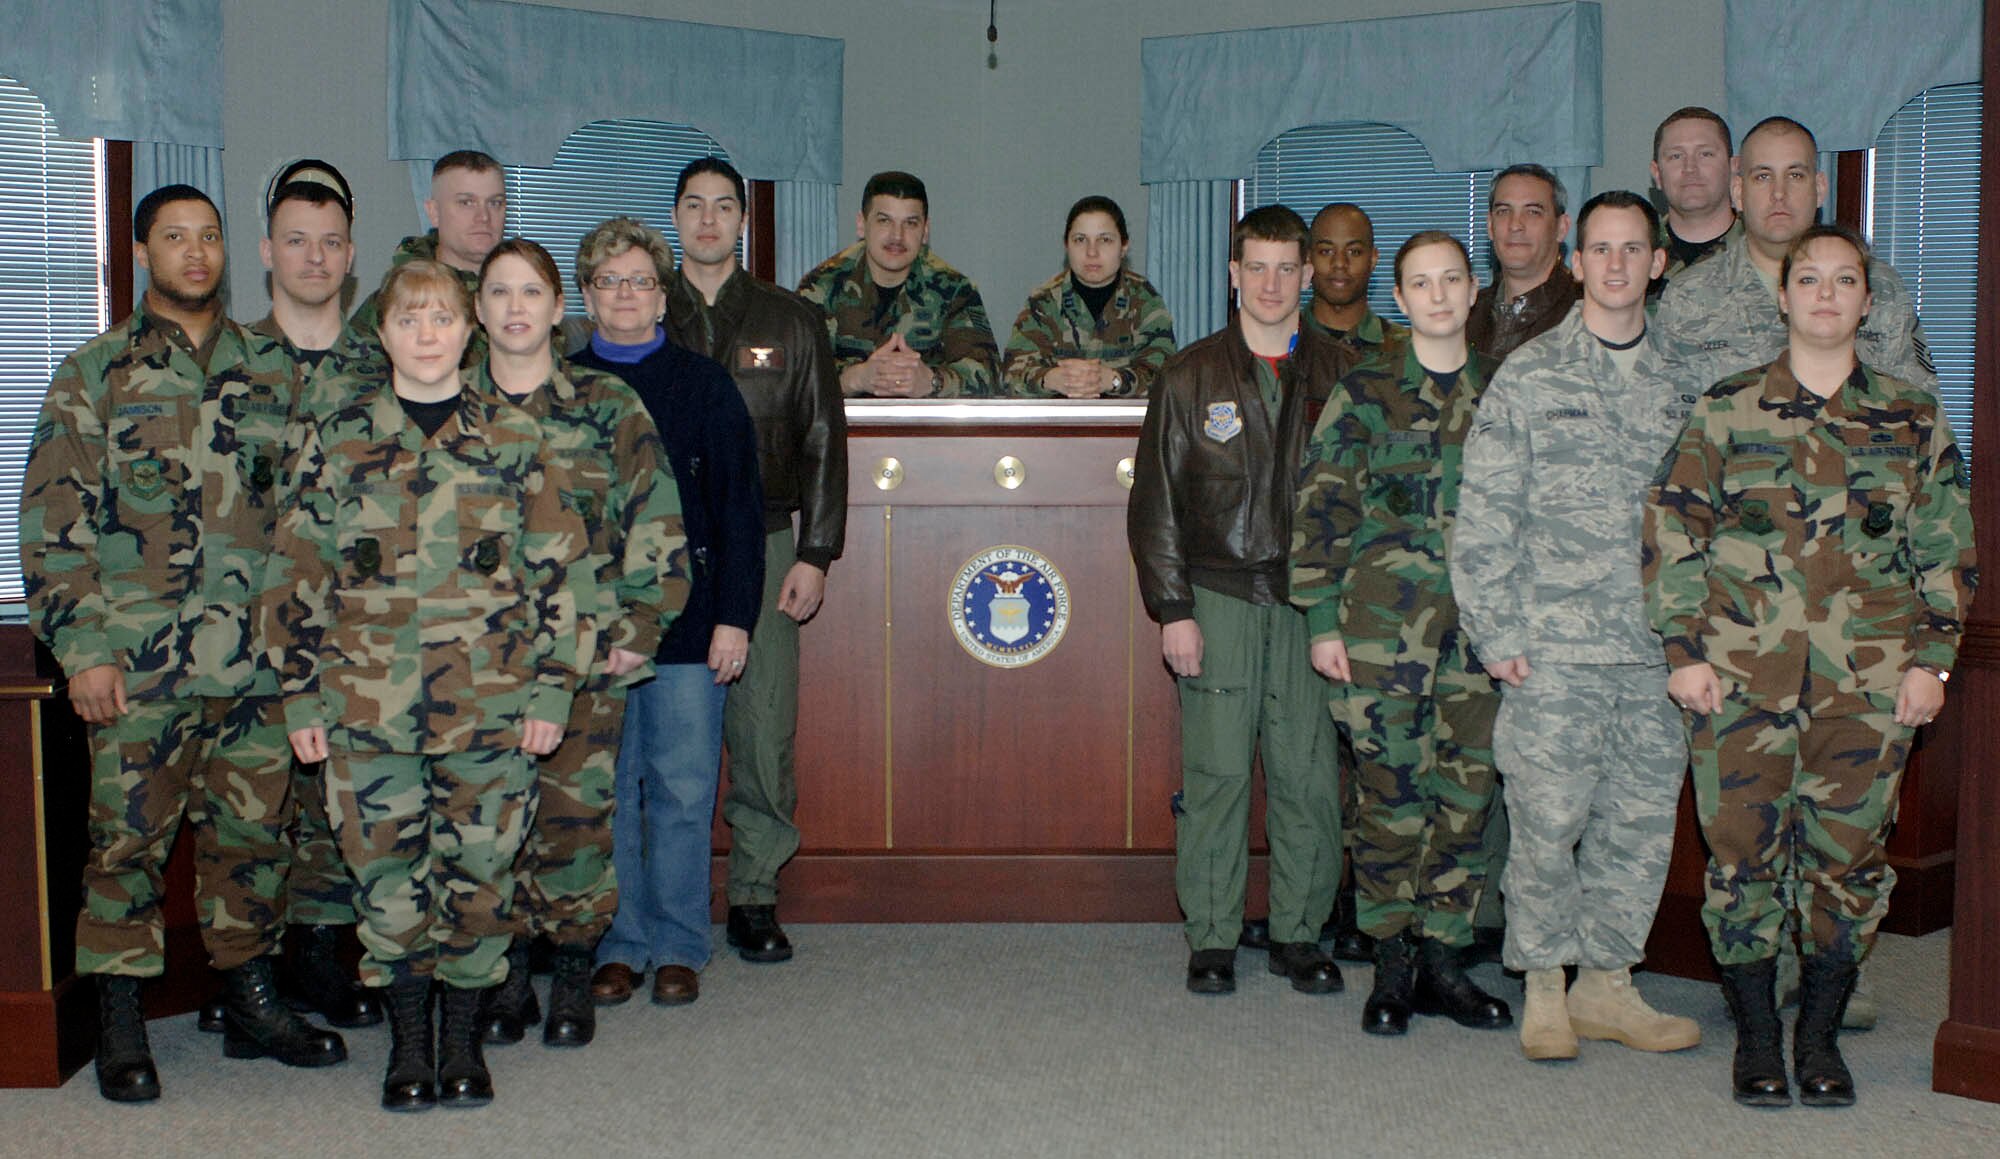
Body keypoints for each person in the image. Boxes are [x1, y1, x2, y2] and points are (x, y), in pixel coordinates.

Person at [19, 184, 346, 1103]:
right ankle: (120, 1015)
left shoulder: (277, 373)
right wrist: (83, 648)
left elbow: (312, 521)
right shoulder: (95, 372)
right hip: (138, 666)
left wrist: (304, 650)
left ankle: (249, 1001)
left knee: (254, 843)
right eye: (174, 237)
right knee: (125, 845)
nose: (195, 252)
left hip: (255, 664)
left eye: (208, 236)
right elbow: (53, 526)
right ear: (140, 252)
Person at [1643, 224, 1974, 1107]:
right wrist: (1683, 651)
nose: (1827, 294)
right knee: (1740, 862)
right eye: (1810, 279)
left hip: (1869, 688)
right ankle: (1757, 1036)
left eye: (1844, 280)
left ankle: (1819, 1037)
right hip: (1738, 681)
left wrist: (1934, 666)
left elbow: (1947, 552)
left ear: (1867, 301)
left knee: (1850, 864)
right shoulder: (1727, 408)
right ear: (1783, 296)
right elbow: (1673, 531)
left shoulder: (1911, 417)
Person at [262, 259, 585, 1111]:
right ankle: (410, 1043)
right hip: (366, 710)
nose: (427, 334)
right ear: (383, 334)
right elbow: (295, 575)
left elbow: (561, 575)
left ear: (468, 329)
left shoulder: (517, 439)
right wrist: (300, 695)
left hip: (491, 706)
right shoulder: (339, 439)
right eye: (409, 320)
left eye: (442, 317)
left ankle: (462, 1042)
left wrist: (553, 691)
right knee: (386, 881)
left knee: (481, 874)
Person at [1452, 191, 1701, 1062]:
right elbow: (1484, 514)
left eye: (1634, 249)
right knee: (1546, 824)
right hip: (1552, 647)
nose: (1618, 264)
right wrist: (1497, 634)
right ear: (1577, 260)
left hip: (1656, 651)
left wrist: (1700, 641)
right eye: (1601, 249)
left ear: (1657, 263)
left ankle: (1608, 983)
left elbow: (1711, 520)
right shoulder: (1531, 375)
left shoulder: (1687, 384)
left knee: (1638, 825)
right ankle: (1546, 986)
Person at [1292, 230, 1511, 1038]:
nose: (1439, 295)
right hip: (1380, 634)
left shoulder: (1507, 391)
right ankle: (1391, 959)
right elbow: (1321, 508)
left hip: (1481, 637)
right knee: (1387, 798)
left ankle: (1444, 957)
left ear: (1474, 289)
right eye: (1421, 283)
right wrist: (1321, 621)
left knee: (1466, 795)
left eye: (1452, 279)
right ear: (1399, 297)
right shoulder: (1366, 391)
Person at [469, 239, 686, 1049]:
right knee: (488, 823)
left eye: (532, 292)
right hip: (476, 661)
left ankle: (569, 974)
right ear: (478, 309)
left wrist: (639, 630)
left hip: (586, 652)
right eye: (499, 292)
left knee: (574, 820)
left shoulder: (606, 403)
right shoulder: (448, 405)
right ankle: (505, 976)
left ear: (560, 308)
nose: (516, 307)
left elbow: (656, 521)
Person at [1127, 205, 1349, 999]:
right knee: (1217, 774)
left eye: (1287, 268)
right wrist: (1173, 608)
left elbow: (1361, 499)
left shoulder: (1342, 374)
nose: (1271, 283)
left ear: (1308, 275)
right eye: (1257, 267)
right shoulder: (1189, 376)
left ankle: (1298, 932)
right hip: (1217, 596)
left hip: (1309, 604)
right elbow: (1154, 504)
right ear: (1233, 275)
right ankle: (1214, 934)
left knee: (1307, 776)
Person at [570, 218, 766, 1005]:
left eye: (641, 281)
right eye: (609, 281)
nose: (626, 294)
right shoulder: (563, 386)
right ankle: (620, 942)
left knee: (683, 788)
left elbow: (740, 508)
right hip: (594, 627)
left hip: (691, 621)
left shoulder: (705, 385)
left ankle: (681, 942)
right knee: (609, 791)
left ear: (663, 297)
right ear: (587, 296)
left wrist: (735, 618)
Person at [663, 158, 843, 965]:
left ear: (743, 220)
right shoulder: (643, 308)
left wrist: (816, 551)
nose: (708, 220)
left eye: (723, 207)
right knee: (663, 726)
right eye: (693, 206)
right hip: (662, 545)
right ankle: (661, 895)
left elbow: (824, 439)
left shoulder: (790, 318)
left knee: (763, 725)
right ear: (675, 218)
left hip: (766, 540)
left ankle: (755, 892)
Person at [234, 160, 382, 1033]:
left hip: (349, 629)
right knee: (247, 815)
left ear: (351, 255)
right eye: (297, 240)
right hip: (233, 628)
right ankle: (244, 981)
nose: (314, 257)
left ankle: (321, 960)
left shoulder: (385, 369)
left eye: (330, 242)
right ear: (267, 252)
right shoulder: (224, 367)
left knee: (335, 805)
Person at [1656, 116, 1936, 397]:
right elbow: (1667, 415)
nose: (1779, 193)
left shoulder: (1879, 287)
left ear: (1820, 188)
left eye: (1795, 175)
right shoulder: (1689, 296)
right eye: (1763, 177)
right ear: (1738, 192)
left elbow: (1921, 407)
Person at [798, 170, 999, 397]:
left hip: (924, 420)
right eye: (884, 221)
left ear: (925, 231)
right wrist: (853, 378)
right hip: (844, 419)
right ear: (861, 225)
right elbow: (795, 375)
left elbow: (990, 377)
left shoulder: (953, 290)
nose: (897, 236)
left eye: (910, 223)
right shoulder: (821, 286)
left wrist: (933, 382)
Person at [1001, 195, 1176, 398]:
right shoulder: (1043, 302)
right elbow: (1010, 377)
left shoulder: (1144, 299)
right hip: (1059, 417)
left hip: (1125, 419)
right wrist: (1050, 379)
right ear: (1066, 245)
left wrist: (1115, 380)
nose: (1092, 252)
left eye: (1105, 240)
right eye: (1080, 240)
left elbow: (1168, 377)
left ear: (1124, 246)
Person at [349, 150, 508, 368]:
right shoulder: (396, 302)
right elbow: (343, 384)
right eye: (466, 203)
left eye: (495, 203)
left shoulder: (523, 297)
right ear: (434, 212)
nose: (484, 217)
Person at [1467, 164, 1581, 361]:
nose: (1515, 225)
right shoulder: (1464, 315)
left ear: (1562, 228)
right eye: (1504, 211)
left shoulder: (1588, 313)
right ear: (1490, 226)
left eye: (1533, 212)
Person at [1649, 107, 1741, 298]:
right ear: (1657, 174)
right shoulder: (1634, 255)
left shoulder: (1765, 252)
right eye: (1676, 156)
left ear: (1733, 167)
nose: (1690, 168)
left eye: (1705, 154)